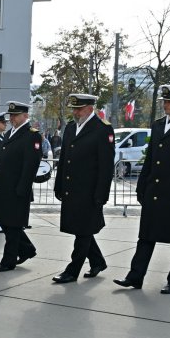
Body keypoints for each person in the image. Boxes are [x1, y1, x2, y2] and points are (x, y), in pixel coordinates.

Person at [113, 85, 170, 295]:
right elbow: (151, 160)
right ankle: (135, 276)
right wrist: (142, 186)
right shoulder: (157, 126)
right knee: (146, 235)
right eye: (164, 101)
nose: (166, 104)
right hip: (155, 192)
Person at [51, 94, 114, 284]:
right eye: (73, 109)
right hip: (72, 188)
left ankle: (72, 270)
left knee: (84, 231)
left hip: (89, 190)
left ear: (89, 108)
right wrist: (59, 185)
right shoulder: (71, 127)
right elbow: (64, 159)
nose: (75, 112)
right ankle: (97, 261)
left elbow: (106, 166)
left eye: (78, 109)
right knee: (81, 229)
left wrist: (101, 194)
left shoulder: (102, 129)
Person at [0, 101, 42, 272]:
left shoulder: (32, 135)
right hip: (3, 186)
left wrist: (22, 189)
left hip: (17, 188)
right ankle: (27, 249)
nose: (12, 118)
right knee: (5, 222)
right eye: (10, 115)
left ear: (25, 116)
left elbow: (30, 165)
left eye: (15, 115)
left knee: (13, 225)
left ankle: (8, 261)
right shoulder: (10, 133)